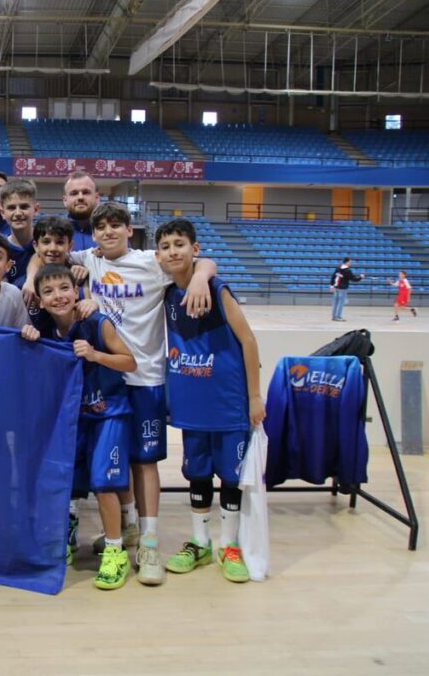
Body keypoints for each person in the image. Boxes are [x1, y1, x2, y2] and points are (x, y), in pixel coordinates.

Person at [53, 201, 217, 586]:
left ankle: (149, 542)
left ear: (130, 229)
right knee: (117, 457)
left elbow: (202, 263)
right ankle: (127, 527)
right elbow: (46, 257)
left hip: (145, 377)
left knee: (144, 463)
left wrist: (198, 277)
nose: (108, 232)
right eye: (101, 228)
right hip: (104, 378)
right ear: (92, 235)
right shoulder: (88, 261)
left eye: (116, 225)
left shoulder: (151, 262)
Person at [154, 219, 265, 584]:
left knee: (231, 477)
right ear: (158, 255)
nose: (173, 251)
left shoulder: (217, 290)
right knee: (197, 474)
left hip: (230, 405)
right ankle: (200, 543)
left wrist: (253, 397)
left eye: (180, 244)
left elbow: (248, 341)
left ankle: (228, 545)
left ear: (195, 249)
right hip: (192, 407)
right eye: (166, 245)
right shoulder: (168, 294)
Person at [36, 263, 138, 590]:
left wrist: (95, 355)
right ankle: (68, 537)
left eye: (64, 288)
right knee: (70, 482)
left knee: (104, 483)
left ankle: (114, 550)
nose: (58, 296)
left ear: (76, 290)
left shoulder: (97, 322)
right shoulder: (42, 328)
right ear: (39, 300)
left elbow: (129, 361)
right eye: (48, 291)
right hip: (74, 417)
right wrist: (27, 334)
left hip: (109, 412)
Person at [0, 179, 39, 289]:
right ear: (2, 212)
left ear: (36, 209)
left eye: (24, 207)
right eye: (11, 208)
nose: (18, 213)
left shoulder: (47, 244)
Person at [62, 171, 102, 251]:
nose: (80, 197)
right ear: (65, 200)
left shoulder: (112, 230)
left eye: (86, 192)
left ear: (97, 198)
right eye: (74, 193)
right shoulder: (52, 228)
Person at [329, 257, 363, 322]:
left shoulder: (338, 268)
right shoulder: (347, 270)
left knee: (335, 303)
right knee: (341, 303)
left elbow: (333, 276)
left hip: (336, 287)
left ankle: (334, 316)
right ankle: (338, 316)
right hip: (343, 288)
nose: (351, 263)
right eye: (350, 262)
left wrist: (331, 286)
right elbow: (354, 279)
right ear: (347, 262)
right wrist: (361, 277)